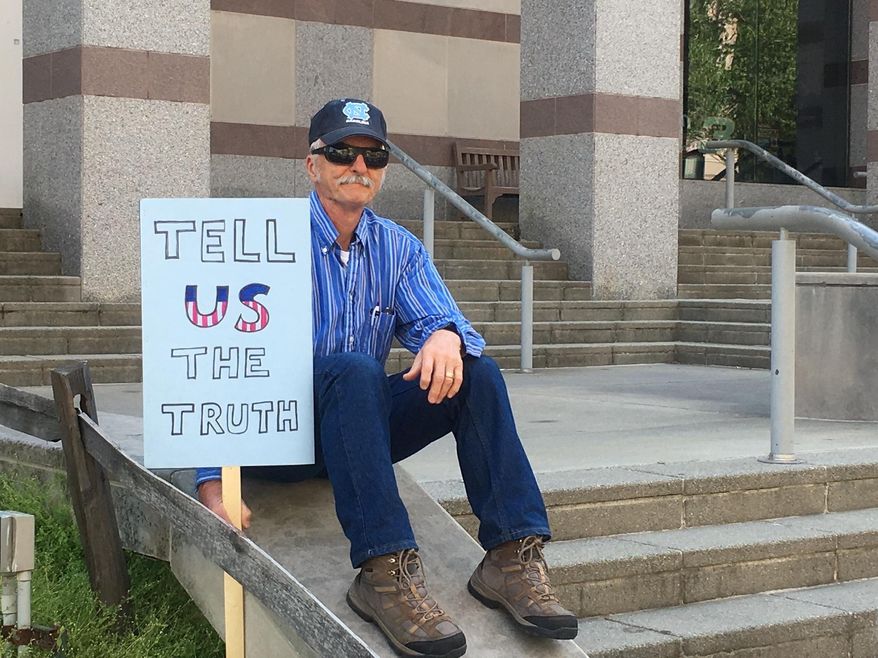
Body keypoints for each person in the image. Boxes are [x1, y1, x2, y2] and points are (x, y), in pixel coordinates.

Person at [195, 98, 577, 658]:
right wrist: (211, 479)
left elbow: (444, 325)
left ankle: (509, 556)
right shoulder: (264, 241)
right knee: (353, 368)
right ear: (312, 164)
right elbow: (214, 356)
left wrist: (446, 334)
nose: (359, 166)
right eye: (342, 152)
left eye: (374, 156)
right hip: (277, 435)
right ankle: (382, 571)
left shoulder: (399, 249)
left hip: (357, 432)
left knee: (478, 373)